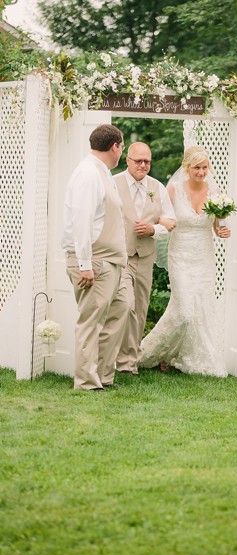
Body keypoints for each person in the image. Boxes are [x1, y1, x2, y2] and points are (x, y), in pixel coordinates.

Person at [138, 146, 230, 376]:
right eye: (197, 167)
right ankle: (153, 352)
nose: (201, 172)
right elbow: (160, 217)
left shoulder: (215, 191)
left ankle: (188, 356)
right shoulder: (173, 189)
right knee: (185, 310)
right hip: (180, 256)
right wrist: (158, 225)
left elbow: (218, 226)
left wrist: (222, 230)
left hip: (204, 256)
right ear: (187, 168)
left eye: (204, 167)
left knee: (201, 307)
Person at [61, 124, 130, 391]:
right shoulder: (88, 174)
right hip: (94, 262)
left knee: (120, 310)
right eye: (121, 147)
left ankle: (103, 374)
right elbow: (82, 221)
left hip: (112, 262)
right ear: (115, 146)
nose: (120, 152)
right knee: (91, 321)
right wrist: (85, 265)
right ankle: (87, 382)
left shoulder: (103, 173)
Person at [105, 142, 176, 376]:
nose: (143, 165)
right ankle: (111, 358)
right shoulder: (112, 182)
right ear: (128, 160)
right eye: (139, 161)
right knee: (124, 306)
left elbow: (170, 221)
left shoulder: (157, 187)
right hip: (118, 255)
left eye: (147, 161)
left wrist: (153, 229)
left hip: (145, 256)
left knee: (140, 309)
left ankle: (129, 363)